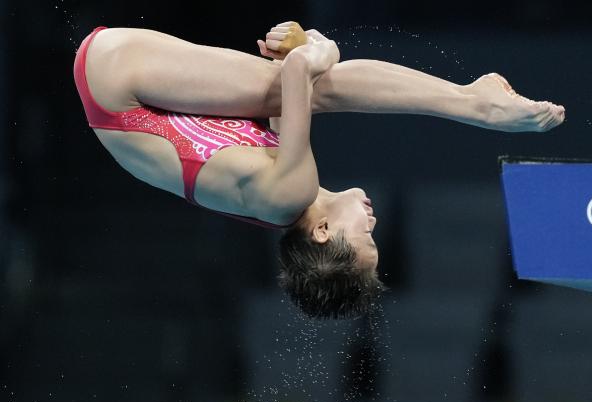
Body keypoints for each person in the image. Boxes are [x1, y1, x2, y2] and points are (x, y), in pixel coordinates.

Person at [73, 22, 566, 319]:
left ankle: (476, 105)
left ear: (325, 231)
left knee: (318, 82)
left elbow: (298, 76)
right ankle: (471, 102)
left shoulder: (292, 193)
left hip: (118, 85)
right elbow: (286, 98)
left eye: (367, 238)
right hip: (117, 91)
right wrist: (298, 55)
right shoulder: (277, 204)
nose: (374, 224)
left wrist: (316, 49)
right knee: (304, 86)